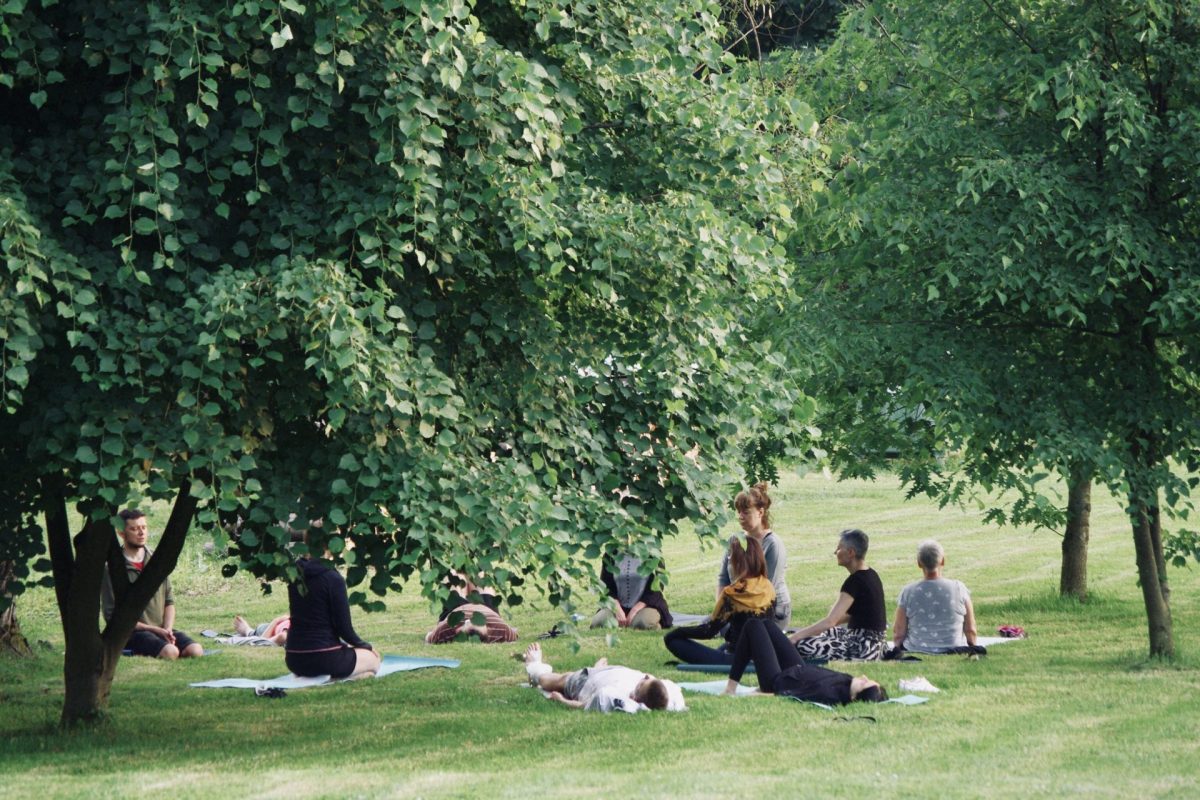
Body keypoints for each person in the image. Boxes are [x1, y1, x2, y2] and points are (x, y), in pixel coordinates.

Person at [100, 509, 204, 660]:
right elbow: (111, 616)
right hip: (131, 633)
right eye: (134, 529)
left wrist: (167, 629)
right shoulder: (111, 568)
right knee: (171, 653)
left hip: (160, 630)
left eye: (144, 527)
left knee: (196, 650)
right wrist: (154, 630)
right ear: (121, 533)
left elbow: (169, 601)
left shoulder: (156, 560)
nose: (141, 533)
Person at [723, 617, 887, 704]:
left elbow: (787, 696)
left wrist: (758, 694)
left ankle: (730, 688)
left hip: (777, 681)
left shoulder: (828, 693)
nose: (864, 677)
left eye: (864, 684)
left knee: (753, 625)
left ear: (854, 697)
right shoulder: (846, 682)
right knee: (767, 624)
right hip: (798, 669)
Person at [663, 536, 775, 665]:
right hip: (764, 655)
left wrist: (679, 632)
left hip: (736, 659)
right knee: (725, 645)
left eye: (729, 559)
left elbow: (709, 631)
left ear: (738, 562)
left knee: (672, 640)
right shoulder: (768, 586)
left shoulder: (732, 593)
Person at [285, 532, 381, 679]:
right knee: (374, 661)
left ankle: (340, 675)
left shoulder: (295, 575)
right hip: (325, 657)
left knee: (353, 657)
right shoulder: (333, 578)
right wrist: (366, 647)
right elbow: (344, 628)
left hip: (294, 658)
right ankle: (341, 677)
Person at [789, 529, 887, 661]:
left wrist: (795, 638)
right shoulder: (871, 574)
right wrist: (811, 631)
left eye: (839, 548)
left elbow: (830, 621)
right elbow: (853, 615)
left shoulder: (854, 581)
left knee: (802, 644)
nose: (836, 552)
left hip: (863, 648)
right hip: (875, 644)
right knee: (815, 632)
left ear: (851, 552)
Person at [521, 642, 684, 713]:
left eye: (641, 684)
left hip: (584, 682)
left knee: (551, 681)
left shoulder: (613, 697)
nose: (645, 676)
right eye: (647, 678)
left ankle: (535, 666)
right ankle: (599, 669)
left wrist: (560, 700)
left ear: (635, 698)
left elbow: (583, 706)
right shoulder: (669, 691)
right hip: (612, 672)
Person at [717, 483, 791, 628]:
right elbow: (723, 578)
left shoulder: (772, 544)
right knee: (710, 625)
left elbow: (767, 588)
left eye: (746, 512)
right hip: (740, 605)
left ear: (760, 512)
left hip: (771, 610)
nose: (740, 517)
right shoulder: (734, 540)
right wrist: (720, 610)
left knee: (742, 632)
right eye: (738, 512)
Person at [893, 540, 978, 653]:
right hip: (954, 647)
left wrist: (897, 648)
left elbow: (899, 632)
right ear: (942, 561)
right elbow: (970, 629)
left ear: (919, 563)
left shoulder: (908, 591)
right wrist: (972, 646)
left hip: (916, 648)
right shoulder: (959, 588)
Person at [425, 574, 518, 644]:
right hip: (487, 609)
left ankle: (462, 570)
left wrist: (435, 631)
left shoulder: (447, 629)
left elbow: (429, 636)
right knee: (481, 577)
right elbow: (514, 633)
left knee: (456, 577)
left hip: (456, 612)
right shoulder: (500, 628)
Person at [591, 552, 673, 630]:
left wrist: (635, 610)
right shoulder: (611, 553)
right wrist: (617, 609)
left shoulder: (653, 552)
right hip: (617, 605)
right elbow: (606, 586)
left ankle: (655, 622)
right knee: (598, 623)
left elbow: (658, 586)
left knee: (642, 624)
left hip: (647, 604)